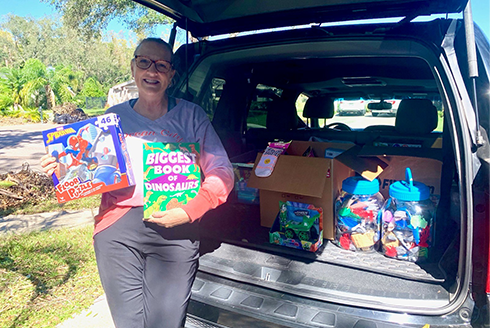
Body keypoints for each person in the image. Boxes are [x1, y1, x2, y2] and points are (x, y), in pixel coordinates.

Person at [40, 37, 235, 328]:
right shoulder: (112, 118)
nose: (152, 71)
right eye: (144, 62)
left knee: (166, 323)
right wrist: (62, 167)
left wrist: (191, 210)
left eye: (161, 65)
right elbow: (88, 170)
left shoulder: (191, 116)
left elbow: (222, 171)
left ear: (171, 75)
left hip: (176, 226)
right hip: (117, 230)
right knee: (129, 323)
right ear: (133, 68)